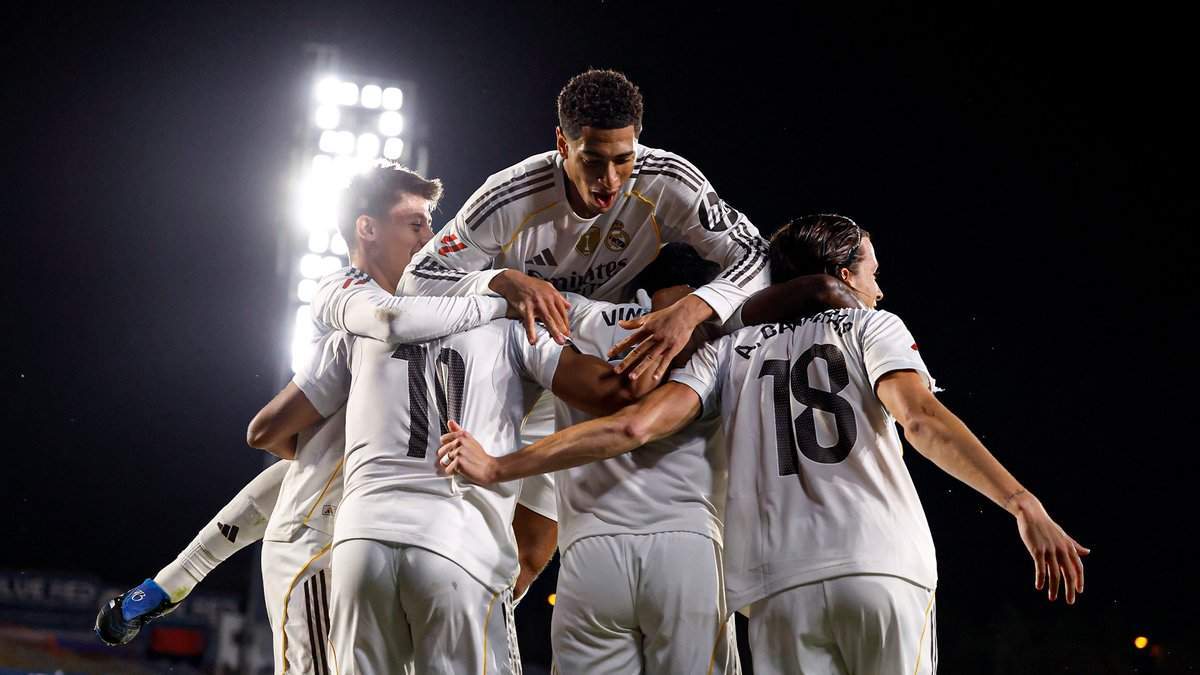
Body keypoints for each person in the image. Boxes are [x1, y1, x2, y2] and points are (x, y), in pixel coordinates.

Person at [440, 213, 1089, 675]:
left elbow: (632, 425)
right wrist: (1021, 501)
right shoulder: (869, 324)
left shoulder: (730, 351)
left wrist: (500, 465)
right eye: (872, 271)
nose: (880, 287)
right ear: (840, 274)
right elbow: (919, 420)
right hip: (878, 563)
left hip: (776, 588)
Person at [95, 164, 559, 675]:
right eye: (416, 223)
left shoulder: (453, 318)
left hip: (393, 540)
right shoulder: (352, 302)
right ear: (368, 228)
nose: (432, 236)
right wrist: (501, 297)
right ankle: (170, 582)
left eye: (430, 223)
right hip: (322, 543)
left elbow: (533, 552)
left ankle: (168, 583)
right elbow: (266, 432)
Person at [398, 68, 771, 382]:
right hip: (518, 359)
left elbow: (756, 254)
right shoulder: (509, 195)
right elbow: (415, 281)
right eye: (592, 161)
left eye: (623, 159)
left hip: (608, 352)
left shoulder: (668, 180)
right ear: (563, 144)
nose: (609, 179)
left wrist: (691, 309)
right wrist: (499, 280)